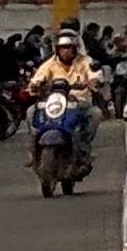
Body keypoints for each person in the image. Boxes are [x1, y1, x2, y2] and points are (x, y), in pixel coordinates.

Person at [27, 26, 104, 177]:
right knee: (31, 112)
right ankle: (33, 151)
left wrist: (94, 82)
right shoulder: (49, 64)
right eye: (62, 48)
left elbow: (95, 76)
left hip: (78, 103)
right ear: (57, 49)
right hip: (54, 104)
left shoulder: (85, 62)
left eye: (69, 47)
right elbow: (37, 78)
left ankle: (82, 150)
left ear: (76, 48)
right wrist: (35, 85)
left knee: (95, 113)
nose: (66, 51)